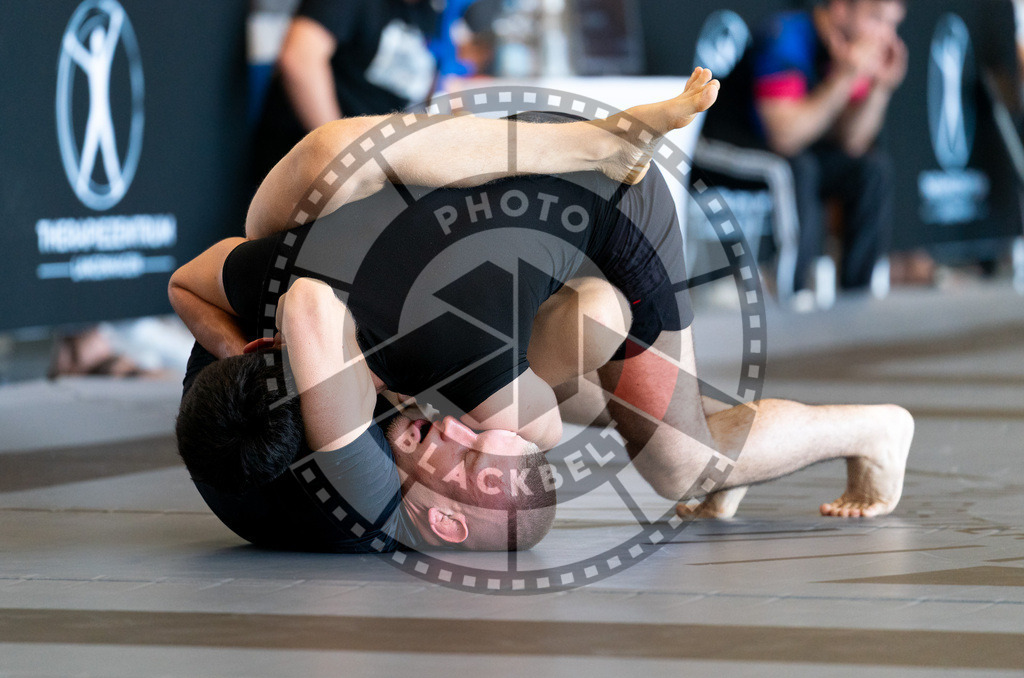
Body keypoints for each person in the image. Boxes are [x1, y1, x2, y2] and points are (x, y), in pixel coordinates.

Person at [173, 71, 913, 556]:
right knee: (316, 179)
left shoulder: (367, 468)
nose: (455, 430)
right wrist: (283, 349)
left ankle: (872, 432)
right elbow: (591, 322)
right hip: (493, 168)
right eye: (475, 441)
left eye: (465, 447)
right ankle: (699, 432)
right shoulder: (320, 328)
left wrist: (288, 354)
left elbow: (306, 306)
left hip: (593, 189)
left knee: (680, 463)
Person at [751, 0, 908, 296]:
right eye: (877, 19)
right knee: (798, 168)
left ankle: (857, 299)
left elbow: (852, 141)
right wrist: (845, 77)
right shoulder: (786, 36)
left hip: (802, 148)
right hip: (738, 144)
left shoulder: (853, 49)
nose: (886, 36)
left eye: (893, 25)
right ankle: (792, 296)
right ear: (840, 9)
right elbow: (784, 136)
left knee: (871, 169)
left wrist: (881, 88)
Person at [252, 0, 442, 184]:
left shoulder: (431, 12)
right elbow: (300, 58)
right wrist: (346, 158)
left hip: (379, 165)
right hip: (314, 167)